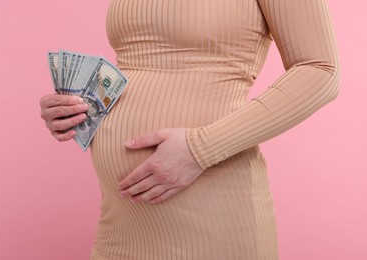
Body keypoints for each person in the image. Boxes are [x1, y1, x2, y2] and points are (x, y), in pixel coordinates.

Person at [39, 0, 340, 259]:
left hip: (209, 209)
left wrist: (200, 148)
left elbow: (320, 70)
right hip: (120, 220)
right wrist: (79, 108)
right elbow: (139, 66)